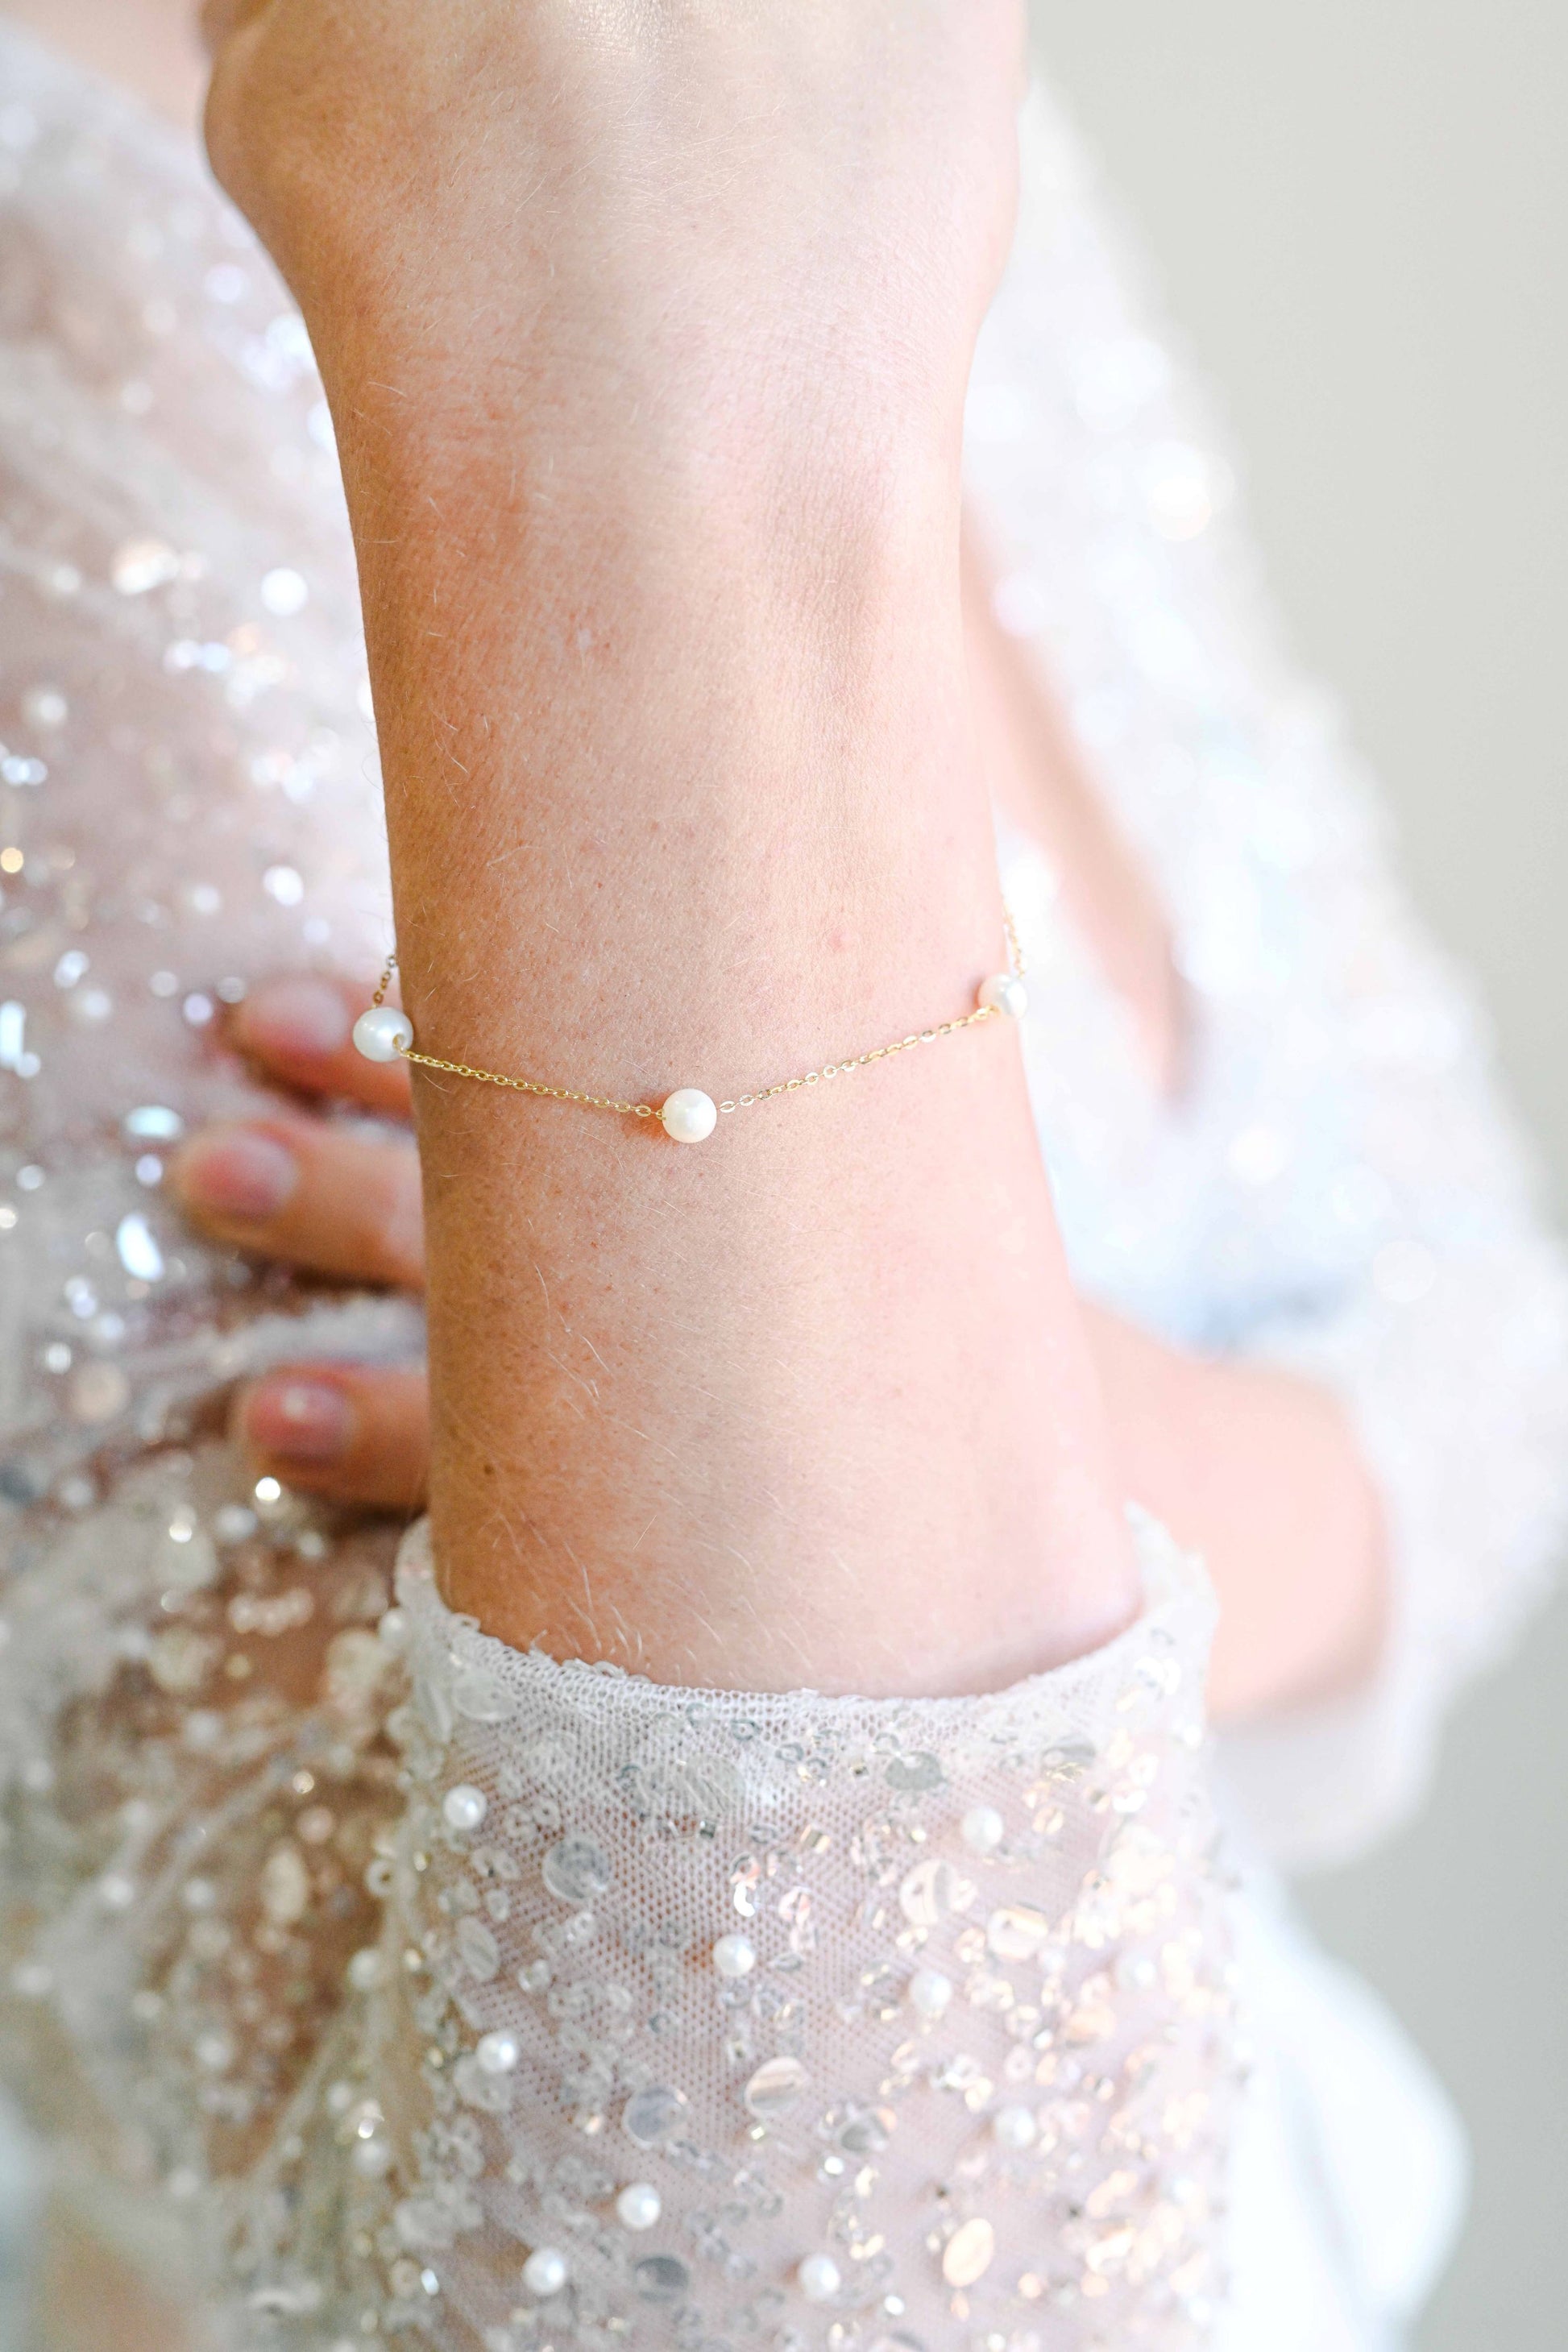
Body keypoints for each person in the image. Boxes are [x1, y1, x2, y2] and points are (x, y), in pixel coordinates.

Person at [0, 2, 1563, 2345]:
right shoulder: (73, 349)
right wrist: (620, 420)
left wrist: (960, 1400)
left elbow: (1485, 1357)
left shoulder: (867, 68)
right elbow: (792, 2291)